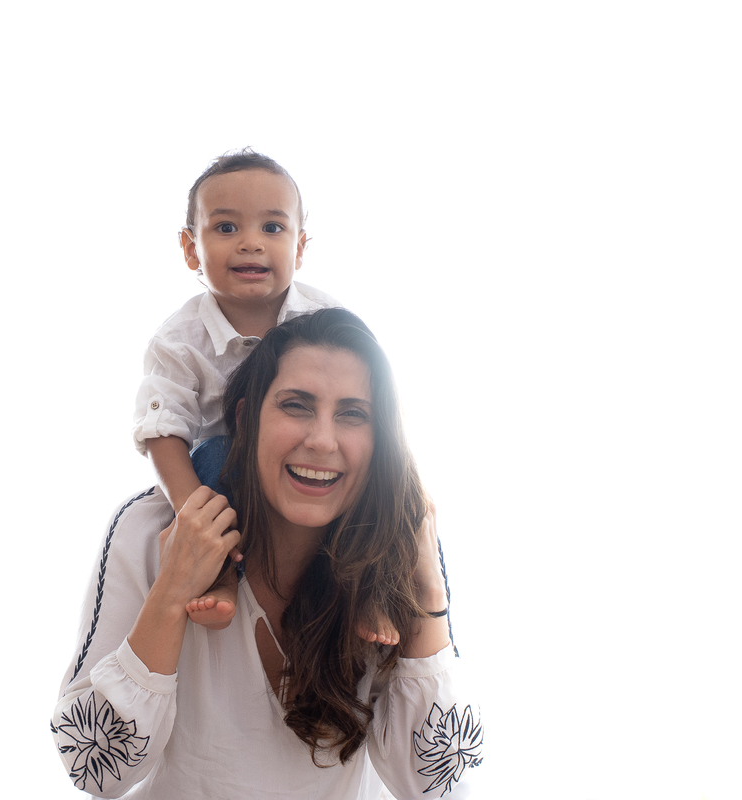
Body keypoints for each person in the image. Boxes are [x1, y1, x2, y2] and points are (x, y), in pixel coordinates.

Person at [54, 309, 482, 799]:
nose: (322, 440)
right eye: (296, 406)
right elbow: (95, 771)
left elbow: (437, 783)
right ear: (245, 418)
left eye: (353, 414)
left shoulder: (394, 556)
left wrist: (427, 589)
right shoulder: (149, 530)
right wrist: (172, 592)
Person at [134, 149, 395, 645]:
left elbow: (366, 398)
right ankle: (221, 574)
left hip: (309, 472)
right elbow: (162, 426)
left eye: (273, 229)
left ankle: (373, 588)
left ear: (299, 248)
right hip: (229, 475)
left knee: (386, 479)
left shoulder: (324, 316)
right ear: (191, 249)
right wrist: (195, 512)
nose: (251, 243)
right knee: (210, 453)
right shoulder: (178, 340)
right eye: (227, 228)